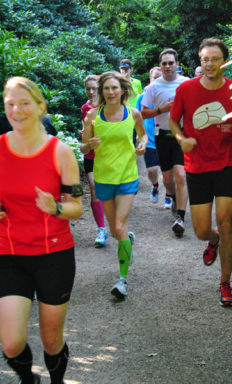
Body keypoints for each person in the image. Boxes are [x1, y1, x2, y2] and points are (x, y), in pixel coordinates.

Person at [0, 77, 83, 384]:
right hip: (7, 251)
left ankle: (57, 381)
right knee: (10, 342)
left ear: (39, 107)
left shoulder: (59, 152)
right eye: (10, 104)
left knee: (51, 339)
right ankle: (28, 379)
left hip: (53, 254)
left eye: (24, 103)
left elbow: (76, 207)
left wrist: (56, 208)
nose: (16, 111)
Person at [169, 38, 232, 306]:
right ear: (200, 60)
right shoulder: (186, 89)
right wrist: (180, 138)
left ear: (225, 61)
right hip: (197, 164)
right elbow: (174, 120)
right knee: (200, 230)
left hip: (227, 162)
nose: (210, 64)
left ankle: (225, 283)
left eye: (215, 59)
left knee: (226, 222)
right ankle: (213, 240)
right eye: (205, 59)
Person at [82, 71, 147, 299]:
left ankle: (122, 280)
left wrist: (141, 144)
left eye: (114, 88)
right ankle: (126, 241)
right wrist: (89, 143)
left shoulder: (133, 113)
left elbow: (143, 135)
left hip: (127, 177)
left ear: (122, 90)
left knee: (118, 226)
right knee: (115, 229)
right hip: (103, 178)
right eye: (106, 89)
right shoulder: (92, 116)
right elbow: (84, 149)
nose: (111, 92)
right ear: (102, 91)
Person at [141, 48, 189, 238]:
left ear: (177, 64)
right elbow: (143, 112)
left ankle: (181, 218)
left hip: (182, 135)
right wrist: (162, 108)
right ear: (160, 66)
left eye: (171, 63)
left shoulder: (187, 84)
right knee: (168, 179)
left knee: (180, 175)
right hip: (162, 135)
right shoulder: (154, 87)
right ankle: (175, 198)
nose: (168, 66)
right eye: (164, 63)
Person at [80, 74, 108, 247]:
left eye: (94, 88)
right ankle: (101, 229)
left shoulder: (109, 106)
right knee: (94, 187)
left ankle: (118, 226)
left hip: (108, 155)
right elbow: (85, 130)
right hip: (91, 154)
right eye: (88, 89)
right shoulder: (85, 108)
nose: (91, 92)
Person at [136, 66, 162, 203]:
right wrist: (138, 134)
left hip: (166, 138)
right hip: (149, 139)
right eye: (154, 78)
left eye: (159, 77)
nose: (157, 80)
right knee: (152, 170)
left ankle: (171, 196)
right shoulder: (142, 97)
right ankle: (155, 185)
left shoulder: (168, 96)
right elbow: (137, 116)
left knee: (173, 174)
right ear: (150, 79)